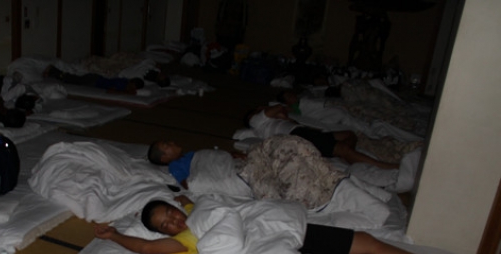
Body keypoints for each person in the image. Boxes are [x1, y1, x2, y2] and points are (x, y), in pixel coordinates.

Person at [94, 196, 475, 254]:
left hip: (273, 225)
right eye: (165, 225)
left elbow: (229, 205)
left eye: (170, 213)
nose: (174, 221)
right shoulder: (185, 240)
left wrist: (184, 200)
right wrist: (115, 235)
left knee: (364, 239)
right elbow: (145, 248)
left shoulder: (197, 208)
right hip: (263, 245)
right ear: (165, 233)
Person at [245, 104, 399, 170]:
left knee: (349, 134)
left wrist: (283, 116)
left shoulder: (273, 122)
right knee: (343, 148)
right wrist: (274, 111)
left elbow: (284, 113)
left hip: (305, 132)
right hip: (296, 136)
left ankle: (347, 156)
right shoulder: (255, 121)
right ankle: (382, 166)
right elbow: (280, 107)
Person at [147, 140, 246, 189]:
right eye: (167, 145)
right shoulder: (175, 166)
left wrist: (230, 155)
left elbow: (209, 157)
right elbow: (188, 185)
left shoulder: (189, 155)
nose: (171, 142)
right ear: (164, 158)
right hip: (223, 173)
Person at [43, 65, 145, 95]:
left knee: (72, 79)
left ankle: (52, 73)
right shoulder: (122, 83)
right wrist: (126, 92)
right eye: (132, 86)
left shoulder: (124, 82)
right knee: (71, 80)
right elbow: (110, 91)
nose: (131, 88)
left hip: (95, 79)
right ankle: (53, 70)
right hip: (94, 80)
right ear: (132, 83)